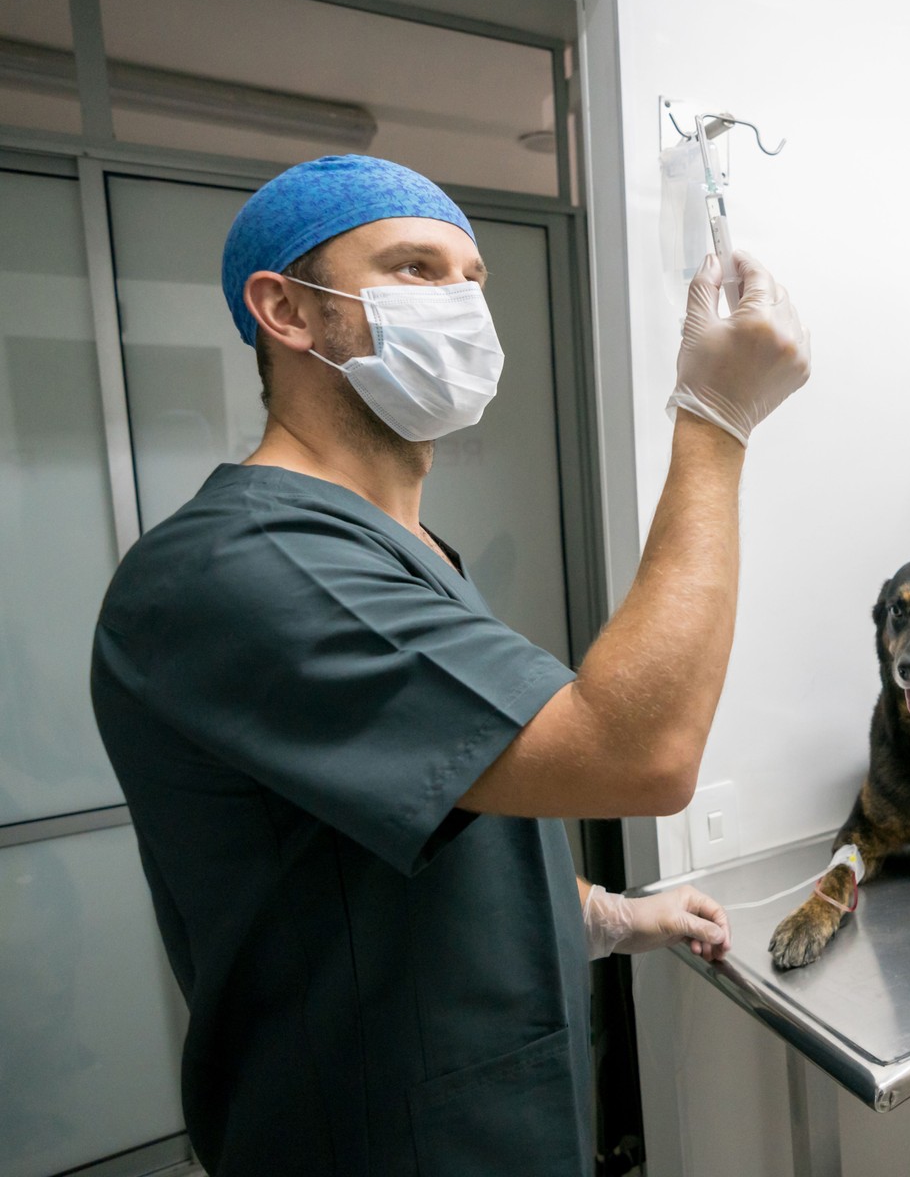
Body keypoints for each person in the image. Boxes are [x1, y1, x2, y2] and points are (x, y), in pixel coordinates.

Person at [89, 154, 810, 1176]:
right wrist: (716, 417)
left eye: (473, 279)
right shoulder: (244, 564)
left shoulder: (403, 552)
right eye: (416, 268)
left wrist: (604, 914)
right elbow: (640, 751)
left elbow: (432, 812)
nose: (462, 305)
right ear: (287, 310)